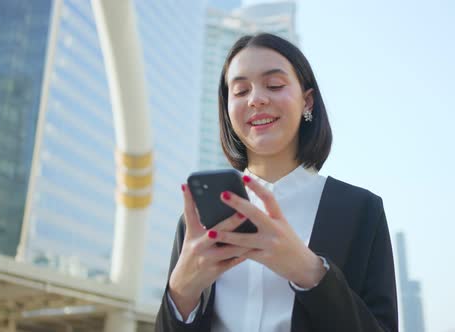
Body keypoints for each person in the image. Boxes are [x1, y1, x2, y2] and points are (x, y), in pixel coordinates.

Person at [155, 33, 398, 332]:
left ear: (307, 100)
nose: (256, 99)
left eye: (274, 85)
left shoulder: (360, 210)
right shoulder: (198, 222)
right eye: (241, 90)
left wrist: (310, 272)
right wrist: (180, 291)